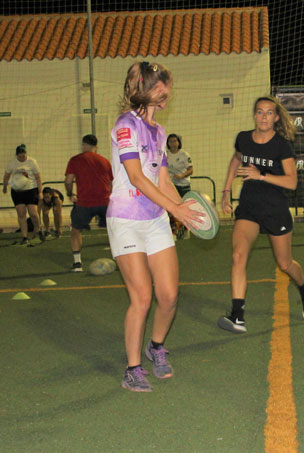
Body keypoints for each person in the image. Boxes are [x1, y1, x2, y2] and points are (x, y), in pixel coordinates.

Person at [108, 61, 202, 392]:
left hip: (155, 219)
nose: (168, 92)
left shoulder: (160, 131)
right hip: (126, 219)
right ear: (146, 89)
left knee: (170, 295)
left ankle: (156, 346)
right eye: (163, 86)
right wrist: (174, 208)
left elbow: (161, 177)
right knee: (142, 297)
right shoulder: (125, 125)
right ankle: (132, 367)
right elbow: (135, 175)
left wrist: (186, 208)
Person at [218, 95, 304, 333]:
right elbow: (236, 159)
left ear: (275, 117)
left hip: (275, 209)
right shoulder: (243, 138)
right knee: (238, 256)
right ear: (254, 115)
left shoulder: (282, 145)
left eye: (268, 113)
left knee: (285, 263)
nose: (264, 117)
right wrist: (226, 189)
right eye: (260, 112)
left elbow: (292, 182)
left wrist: (261, 175)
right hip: (249, 208)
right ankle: (237, 316)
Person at [65, 134, 113, 272]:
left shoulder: (75, 160)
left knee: (76, 230)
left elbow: (68, 181)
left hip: (84, 203)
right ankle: (119, 259)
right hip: (105, 201)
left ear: (83, 145)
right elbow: (111, 183)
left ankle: (77, 263)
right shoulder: (105, 161)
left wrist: (70, 194)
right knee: (114, 230)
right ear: (96, 147)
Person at [3, 144, 42, 246]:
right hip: (17, 192)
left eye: (24, 155)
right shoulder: (12, 164)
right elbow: (6, 176)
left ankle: (37, 229)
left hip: (31, 190)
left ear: (26, 154)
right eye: (20, 156)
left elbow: (38, 177)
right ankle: (24, 237)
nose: (22, 158)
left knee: (33, 213)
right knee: (21, 214)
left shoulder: (32, 162)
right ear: (16, 155)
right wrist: (5, 187)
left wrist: (40, 192)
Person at [166, 133, 193, 238]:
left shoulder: (184, 155)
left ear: (178, 142)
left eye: (174, 141)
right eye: (170, 141)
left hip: (183, 185)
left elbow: (191, 170)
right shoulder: (165, 155)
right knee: (171, 209)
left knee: (184, 207)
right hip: (171, 186)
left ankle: (186, 230)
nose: (172, 143)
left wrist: (182, 176)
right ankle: (174, 231)